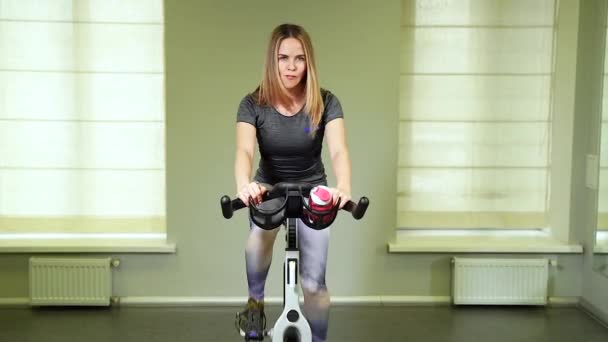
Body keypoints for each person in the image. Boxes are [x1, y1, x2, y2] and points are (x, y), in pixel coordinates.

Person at [233, 23, 352, 342]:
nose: (291, 66)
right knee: (259, 234)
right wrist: (245, 185)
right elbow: (244, 150)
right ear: (272, 61)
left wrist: (344, 187)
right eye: (283, 58)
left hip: (314, 191)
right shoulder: (252, 103)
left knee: (314, 284)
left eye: (299, 58)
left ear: (308, 61)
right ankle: (255, 302)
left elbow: (338, 149)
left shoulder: (326, 102)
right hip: (269, 188)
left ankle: (319, 339)